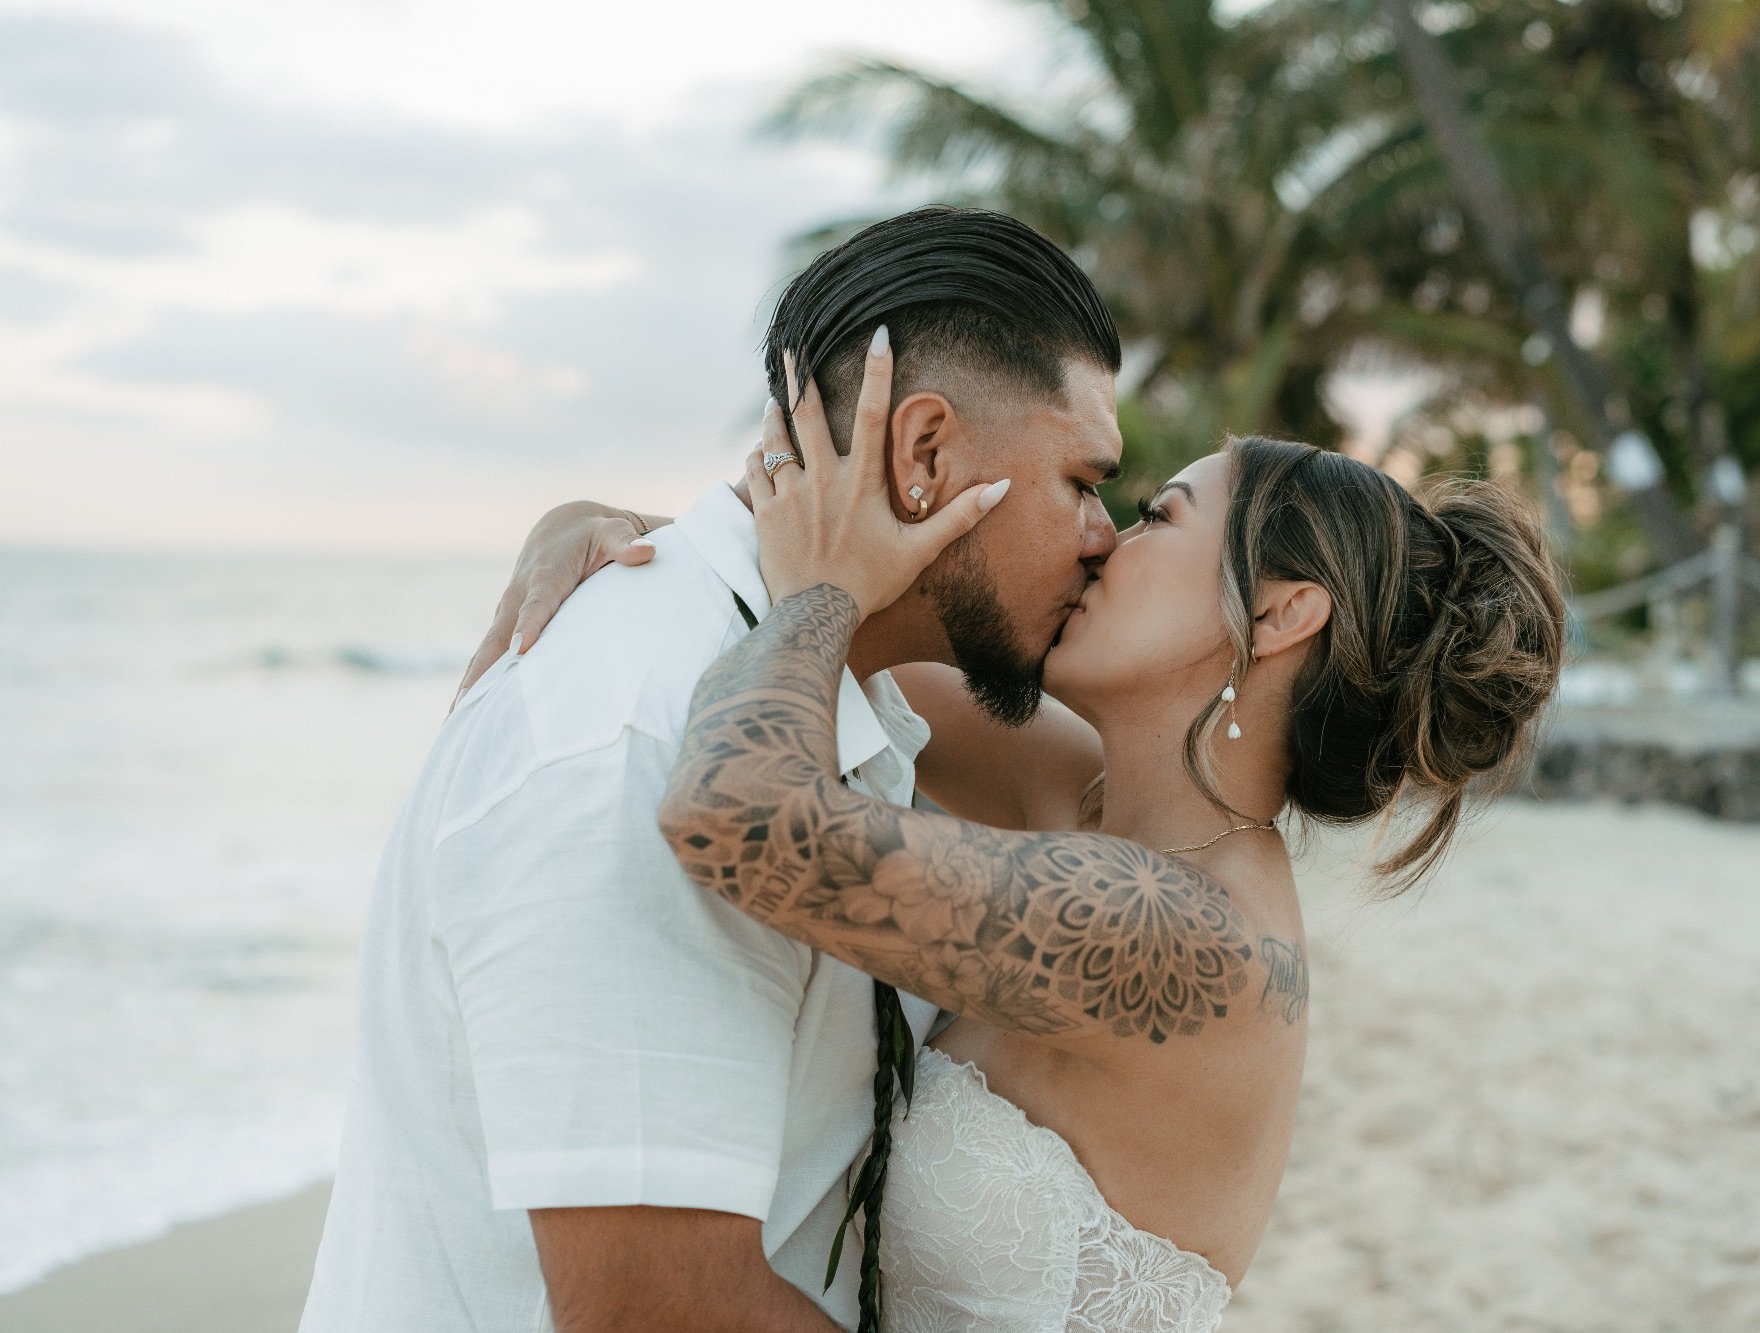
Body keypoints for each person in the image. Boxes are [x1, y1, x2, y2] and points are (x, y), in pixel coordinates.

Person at [489, 340, 1568, 1329]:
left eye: (1157, 517)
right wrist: (630, 532)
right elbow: (858, 633)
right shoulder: (1097, 799)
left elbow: (734, 811)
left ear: (1282, 612)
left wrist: (817, 591)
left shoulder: (1185, 931)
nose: (1102, 542)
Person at [297, 204, 1127, 1333]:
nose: (1103, 535)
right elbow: (651, 1308)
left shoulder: (827, 676)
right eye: (1082, 481)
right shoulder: (641, 729)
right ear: (925, 454)